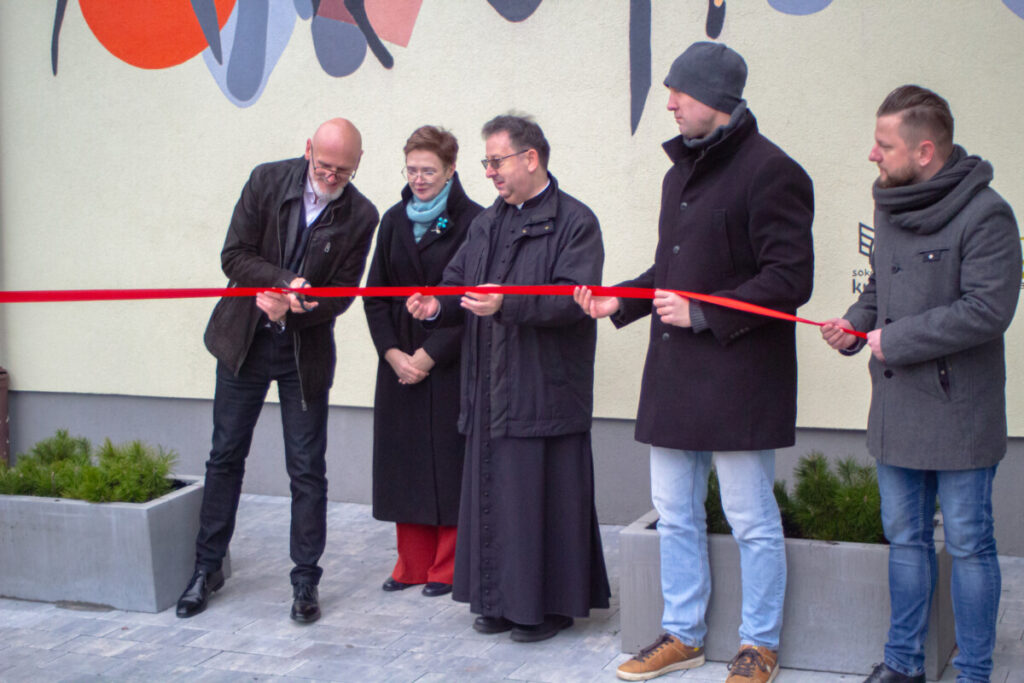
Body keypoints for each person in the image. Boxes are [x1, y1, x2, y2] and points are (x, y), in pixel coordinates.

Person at [576, 42, 814, 683]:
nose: (671, 104)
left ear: (716, 98)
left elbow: (790, 280)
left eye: (680, 92)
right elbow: (672, 271)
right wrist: (619, 300)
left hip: (741, 379)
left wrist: (704, 313)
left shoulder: (774, 172)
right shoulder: (678, 172)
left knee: (751, 519)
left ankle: (759, 645)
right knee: (675, 514)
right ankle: (683, 635)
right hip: (676, 376)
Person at [821, 85, 1021, 683]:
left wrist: (898, 339)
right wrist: (854, 325)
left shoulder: (987, 214)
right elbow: (879, 290)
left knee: (969, 545)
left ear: (925, 150)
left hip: (961, 416)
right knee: (905, 541)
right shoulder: (891, 205)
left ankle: (974, 672)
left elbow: (988, 311)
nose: (872, 155)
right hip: (897, 410)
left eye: (884, 145)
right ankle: (903, 664)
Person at [406, 114, 610, 642]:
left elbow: (573, 300)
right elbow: (458, 280)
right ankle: (496, 602)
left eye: (497, 161)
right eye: (487, 162)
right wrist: (435, 305)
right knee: (494, 502)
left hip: (544, 392)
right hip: (489, 391)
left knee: (541, 507)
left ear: (531, 158)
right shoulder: (488, 222)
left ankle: (547, 609)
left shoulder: (575, 221)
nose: (490, 172)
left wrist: (506, 306)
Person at [176, 118, 379, 624]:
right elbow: (234, 256)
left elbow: (344, 294)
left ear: (358, 165)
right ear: (308, 150)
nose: (331, 178)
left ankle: (305, 580)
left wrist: (300, 306)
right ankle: (206, 568)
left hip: (303, 352)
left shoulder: (361, 214)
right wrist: (283, 281)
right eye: (324, 166)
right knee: (225, 455)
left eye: (344, 171)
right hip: (243, 340)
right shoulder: (266, 180)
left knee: (307, 468)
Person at [363, 126, 483, 598]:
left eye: (428, 170)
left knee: (448, 464)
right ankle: (411, 564)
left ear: (451, 170)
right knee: (404, 462)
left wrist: (429, 356)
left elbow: (473, 302)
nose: (418, 179)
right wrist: (392, 353)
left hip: (448, 360)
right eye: (411, 169)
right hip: (398, 361)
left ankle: (447, 566)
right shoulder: (393, 220)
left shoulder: (476, 221)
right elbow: (374, 295)